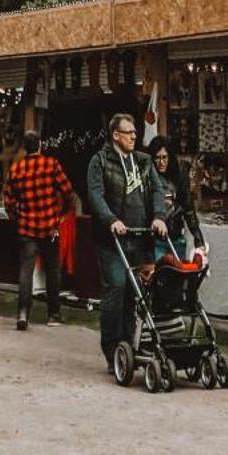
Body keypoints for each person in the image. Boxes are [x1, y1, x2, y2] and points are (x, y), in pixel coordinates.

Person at [85, 112, 167, 374]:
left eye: (135, 132)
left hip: (140, 237)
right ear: (116, 135)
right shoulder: (99, 161)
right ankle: (112, 349)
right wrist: (110, 219)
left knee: (136, 294)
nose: (134, 136)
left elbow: (156, 189)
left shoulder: (143, 161)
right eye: (129, 132)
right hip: (112, 240)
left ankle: (130, 345)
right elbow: (95, 195)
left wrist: (159, 216)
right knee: (117, 288)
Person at [4, 130, 74, 329]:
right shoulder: (51, 165)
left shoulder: (16, 169)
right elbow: (68, 190)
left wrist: (16, 218)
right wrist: (62, 212)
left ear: (25, 147)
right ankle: (53, 314)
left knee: (26, 270)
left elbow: (8, 200)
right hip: (50, 227)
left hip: (27, 227)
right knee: (53, 269)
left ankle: (23, 313)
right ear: (40, 145)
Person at [147, 137, 205, 261]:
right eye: (157, 158)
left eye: (164, 157)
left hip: (176, 236)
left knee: (179, 276)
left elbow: (188, 208)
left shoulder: (178, 178)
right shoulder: (147, 179)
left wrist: (198, 237)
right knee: (159, 276)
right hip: (155, 239)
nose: (161, 162)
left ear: (170, 158)